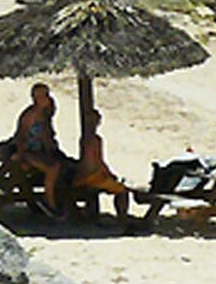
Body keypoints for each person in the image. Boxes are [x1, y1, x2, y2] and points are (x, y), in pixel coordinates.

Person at [9, 83, 68, 217]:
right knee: (52, 168)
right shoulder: (30, 115)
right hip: (29, 151)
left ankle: (58, 198)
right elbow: (21, 137)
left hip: (40, 150)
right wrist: (22, 158)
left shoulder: (45, 114)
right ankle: (49, 201)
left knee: (63, 166)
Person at [70, 107, 133, 223]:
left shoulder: (87, 139)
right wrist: (107, 174)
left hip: (88, 176)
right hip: (91, 177)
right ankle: (122, 217)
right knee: (122, 190)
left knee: (114, 185)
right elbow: (96, 162)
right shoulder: (92, 140)